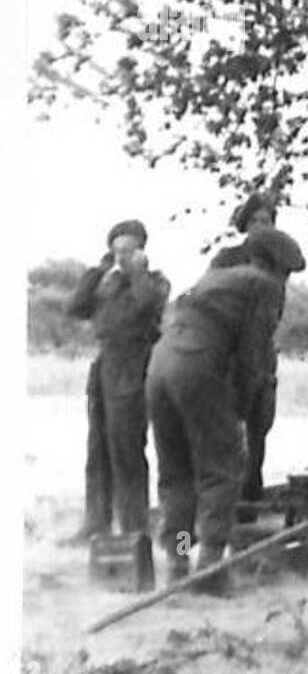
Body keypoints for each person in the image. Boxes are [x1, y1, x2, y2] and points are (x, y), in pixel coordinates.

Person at [146, 226, 306, 590]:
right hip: (198, 366)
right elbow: (253, 354)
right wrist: (244, 410)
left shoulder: (215, 278)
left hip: (159, 365)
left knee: (177, 472)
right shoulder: (265, 286)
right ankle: (211, 566)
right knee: (222, 468)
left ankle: (177, 561)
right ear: (279, 267)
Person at [65, 220, 170, 542]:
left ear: (142, 251)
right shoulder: (106, 284)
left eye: (129, 250)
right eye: (117, 250)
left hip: (134, 365)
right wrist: (99, 270)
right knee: (97, 447)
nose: (122, 256)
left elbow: (145, 305)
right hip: (105, 364)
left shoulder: (154, 282)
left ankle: (134, 527)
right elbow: (76, 307)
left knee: (126, 447)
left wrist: (136, 272)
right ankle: (96, 520)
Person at [209, 191, 280, 509]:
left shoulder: (278, 264)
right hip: (233, 358)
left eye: (267, 221)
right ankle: (228, 498)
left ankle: (252, 490)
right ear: (244, 224)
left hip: (262, 360)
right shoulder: (227, 259)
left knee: (260, 428)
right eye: (255, 221)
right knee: (229, 432)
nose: (262, 227)